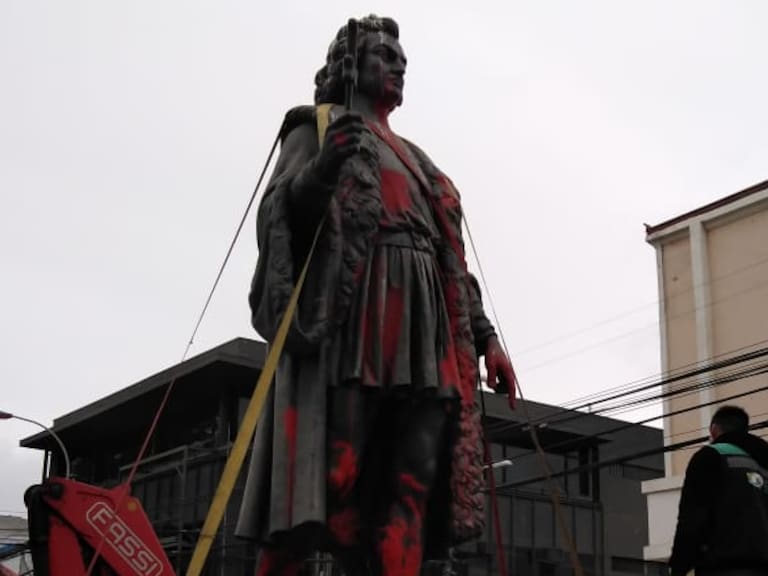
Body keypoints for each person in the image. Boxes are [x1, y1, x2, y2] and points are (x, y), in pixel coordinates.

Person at [236, 15, 516, 576]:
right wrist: (322, 169)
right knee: (329, 476)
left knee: (412, 478)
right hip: (357, 316)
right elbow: (280, 216)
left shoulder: (420, 161)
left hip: (428, 324)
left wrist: (486, 338)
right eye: (385, 55)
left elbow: (452, 259)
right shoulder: (315, 125)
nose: (398, 65)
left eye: (402, 59)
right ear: (349, 64)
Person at [669, 405, 768, 576]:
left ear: (713, 430)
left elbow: (692, 518)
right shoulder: (764, 463)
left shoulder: (711, 456)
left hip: (722, 567)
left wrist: (679, 567)